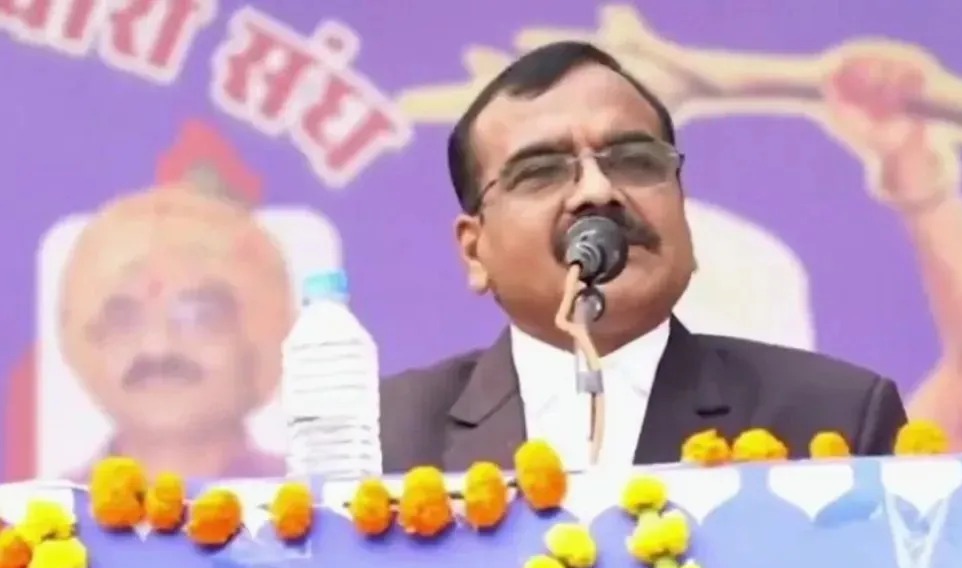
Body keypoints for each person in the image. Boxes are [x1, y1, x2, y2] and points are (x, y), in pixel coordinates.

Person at [380, 42, 908, 471]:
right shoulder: (384, 438)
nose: (597, 191)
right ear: (476, 251)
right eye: (541, 171)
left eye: (634, 161)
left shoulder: (833, 419)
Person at [57, 121, 293, 478]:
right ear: (87, 343)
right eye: (124, 320)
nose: (157, 348)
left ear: (258, 337)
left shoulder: (311, 506)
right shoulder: (41, 511)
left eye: (198, 317)